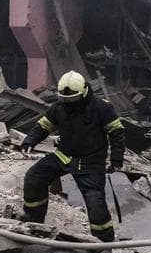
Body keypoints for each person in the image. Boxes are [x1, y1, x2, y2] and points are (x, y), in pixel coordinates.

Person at [19, 71, 125, 242]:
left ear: (83, 92)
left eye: (72, 99)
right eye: (65, 99)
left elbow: (116, 132)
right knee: (34, 177)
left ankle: (103, 242)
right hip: (64, 156)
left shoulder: (101, 107)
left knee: (95, 202)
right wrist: (29, 141)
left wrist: (116, 159)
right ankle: (33, 220)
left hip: (91, 162)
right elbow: (44, 126)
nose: (69, 103)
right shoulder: (59, 107)